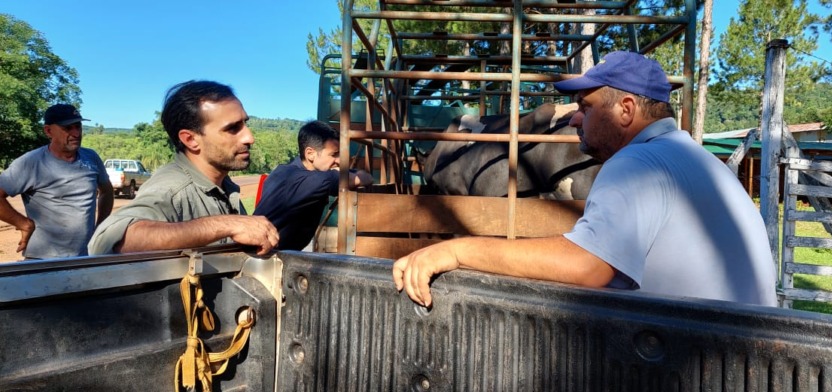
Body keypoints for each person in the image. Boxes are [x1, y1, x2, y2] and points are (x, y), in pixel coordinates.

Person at [392, 51, 777, 307]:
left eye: (586, 108)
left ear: (626, 110)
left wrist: (457, 250)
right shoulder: (701, 161)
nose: (575, 119)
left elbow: (587, 266)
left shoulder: (638, 162)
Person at [88, 80, 278, 255]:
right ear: (191, 139)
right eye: (232, 129)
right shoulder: (172, 187)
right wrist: (228, 224)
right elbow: (105, 241)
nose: (249, 138)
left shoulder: (221, 184)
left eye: (245, 123)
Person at [0, 104, 114, 259]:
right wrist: (23, 223)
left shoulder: (91, 157)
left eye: (78, 126)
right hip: (42, 261)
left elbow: (107, 191)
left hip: (84, 258)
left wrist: (100, 226)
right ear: (48, 131)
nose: (76, 133)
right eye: (68, 128)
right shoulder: (31, 163)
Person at [254, 120, 373, 251]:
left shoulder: (284, 171)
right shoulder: (314, 181)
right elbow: (365, 177)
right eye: (334, 154)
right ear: (310, 153)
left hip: (269, 253)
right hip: (267, 258)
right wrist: (342, 174)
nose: (340, 161)